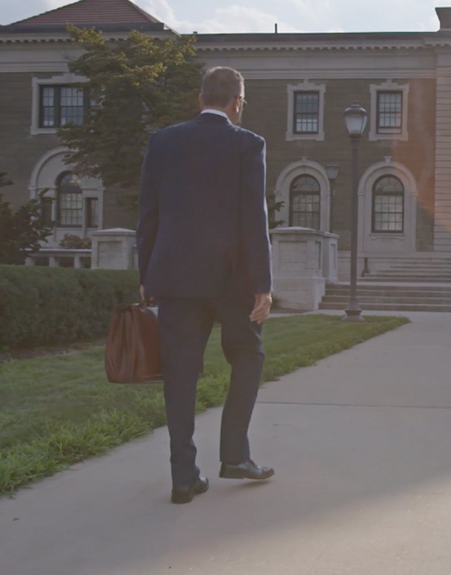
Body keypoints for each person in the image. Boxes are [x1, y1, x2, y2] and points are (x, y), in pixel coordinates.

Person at [137, 66, 275, 504]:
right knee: (248, 356)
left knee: (179, 373)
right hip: (233, 278)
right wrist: (262, 283)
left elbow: (148, 216)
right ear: (237, 102)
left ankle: (183, 477)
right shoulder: (247, 144)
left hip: (175, 277)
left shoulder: (162, 142)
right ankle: (234, 456)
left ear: (200, 100)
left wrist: (147, 276)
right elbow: (255, 217)